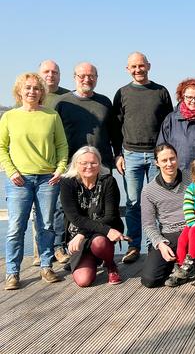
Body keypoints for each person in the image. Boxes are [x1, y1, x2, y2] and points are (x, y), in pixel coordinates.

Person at [0, 72, 68, 290]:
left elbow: (61, 146)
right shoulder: (9, 117)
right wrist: (11, 172)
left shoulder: (51, 116)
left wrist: (60, 169)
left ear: (42, 92)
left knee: (46, 226)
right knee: (15, 228)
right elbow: (1, 147)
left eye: (36, 88)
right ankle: (12, 273)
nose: (32, 91)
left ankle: (46, 266)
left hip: (48, 179)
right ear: (19, 91)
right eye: (27, 88)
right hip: (19, 179)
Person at [113, 52, 173, 264]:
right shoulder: (122, 93)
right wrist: (117, 154)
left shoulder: (161, 91)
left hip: (158, 156)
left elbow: (169, 124)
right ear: (127, 69)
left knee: (159, 201)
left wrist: (167, 155)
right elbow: (115, 127)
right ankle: (133, 246)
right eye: (133, 66)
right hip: (131, 155)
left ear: (149, 66)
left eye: (141, 65)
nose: (138, 69)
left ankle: (156, 244)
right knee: (132, 203)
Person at [140, 144, 195, 288]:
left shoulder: (192, 177)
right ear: (156, 163)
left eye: (172, 159)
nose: (169, 163)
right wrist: (159, 243)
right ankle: (180, 266)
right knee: (150, 279)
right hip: (169, 234)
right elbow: (148, 224)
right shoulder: (149, 190)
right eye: (164, 160)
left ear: (177, 159)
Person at [60, 146, 127, 287]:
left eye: (93, 163)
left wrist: (82, 234)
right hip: (77, 237)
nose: (89, 166)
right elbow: (75, 219)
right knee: (83, 281)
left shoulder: (108, 181)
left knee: (100, 243)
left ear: (100, 163)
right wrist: (79, 236)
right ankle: (91, 258)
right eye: (83, 163)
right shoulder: (67, 183)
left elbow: (110, 216)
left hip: (101, 234)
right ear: (75, 164)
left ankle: (110, 265)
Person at [33, 60, 70, 266]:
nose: (50, 75)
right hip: (37, 165)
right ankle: (41, 251)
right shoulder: (32, 97)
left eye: (54, 71)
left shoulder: (67, 97)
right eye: (46, 71)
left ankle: (58, 247)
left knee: (59, 207)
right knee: (39, 211)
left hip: (62, 162)